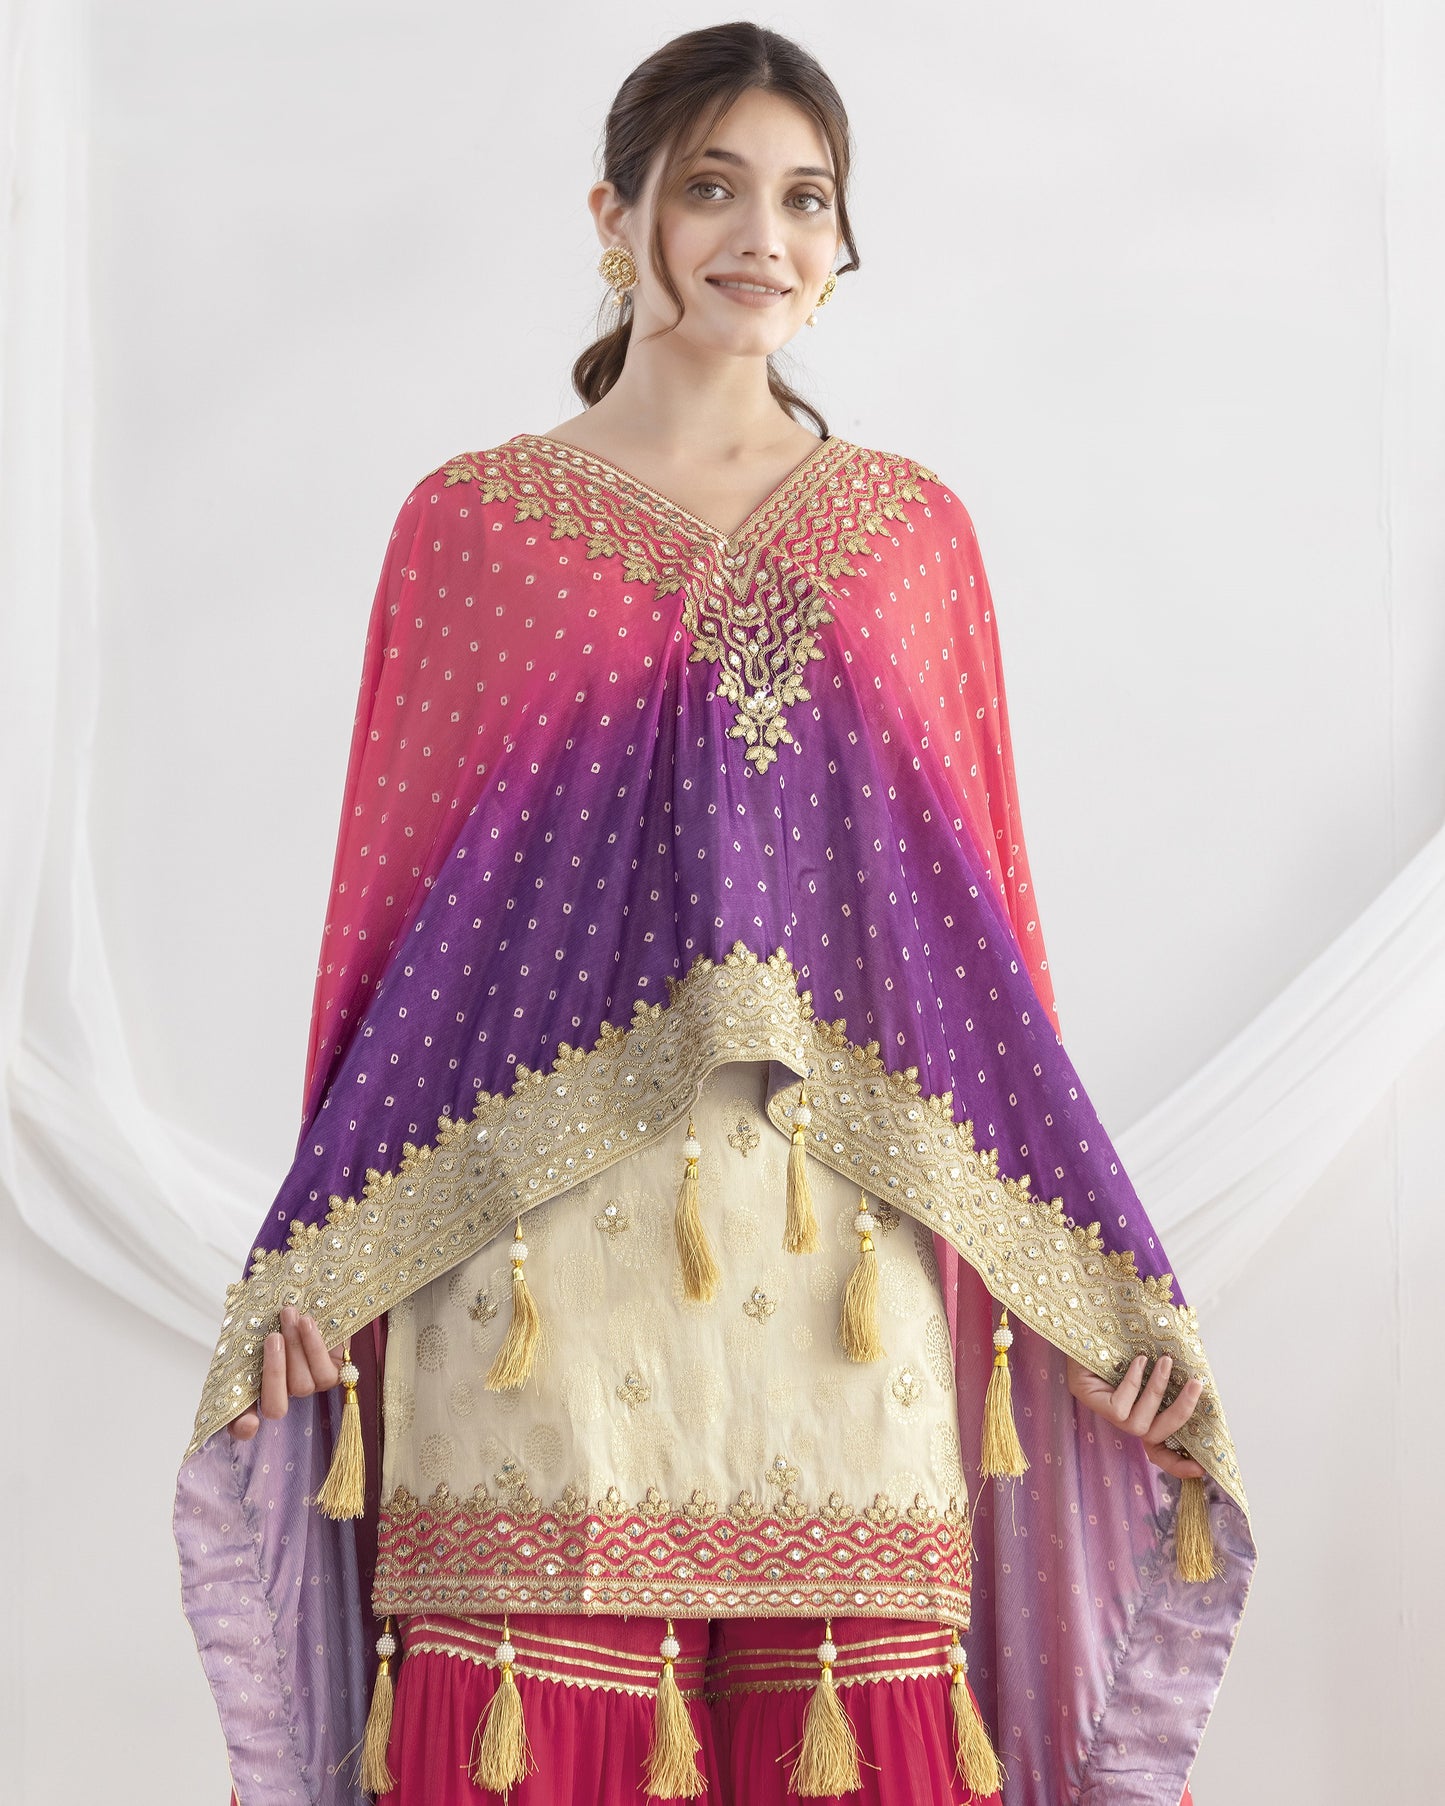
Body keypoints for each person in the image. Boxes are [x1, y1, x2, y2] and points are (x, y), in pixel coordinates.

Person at [175, 21, 1253, 1806]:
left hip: (842, 1244)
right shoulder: (473, 528)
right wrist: (331, 1268)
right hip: (527, 1257)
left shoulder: (912, 535)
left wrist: (1077, 1291)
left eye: (805, 197)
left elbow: (982, 948)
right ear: (617, 216)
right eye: (712, 186)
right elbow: (388, 934)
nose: (763, 231)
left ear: (840, 249)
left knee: (865, 1702)